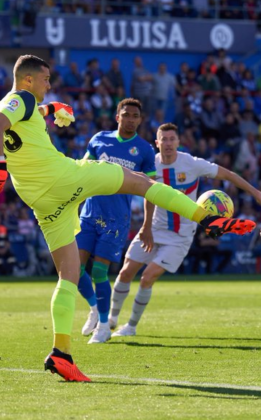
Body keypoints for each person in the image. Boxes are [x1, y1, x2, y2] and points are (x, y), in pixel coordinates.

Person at [0, 55, 256, 382]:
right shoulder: (20, 98)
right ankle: (207, 219)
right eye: (46, 80)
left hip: (40, 200)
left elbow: (12, 119)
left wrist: (53, 109)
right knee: (143, 182)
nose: (49, 85)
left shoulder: (9, 104)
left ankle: (61, 353)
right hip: (63, 177)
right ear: (28, 81)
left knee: (69, 275)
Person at [109, 123, 261, 338]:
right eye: (163, 139)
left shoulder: (191, 164)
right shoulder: (150, 164)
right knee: (126, 272)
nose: (167, 143)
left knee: (147, 277)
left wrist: (256, 192)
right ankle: (109, 319)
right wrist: (144, 227)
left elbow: (228, 175)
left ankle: (130, 326)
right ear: (156, 143)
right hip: (152, 228)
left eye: (171, 139)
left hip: (180, 236)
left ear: (178, 142)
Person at [75, 98, 156, 344]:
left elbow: (151, 190)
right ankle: (93, 308)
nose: (130, 119)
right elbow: (82, 170)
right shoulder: (99, 139)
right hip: (89, 214)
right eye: (126, 114)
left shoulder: (144, 150)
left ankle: (103, 326)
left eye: (135, 115)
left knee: (99, 271)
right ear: (117, 117)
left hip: (116, 219)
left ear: (140, 120)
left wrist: (146, 224)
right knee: (73, 270)